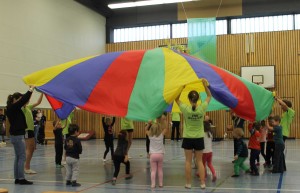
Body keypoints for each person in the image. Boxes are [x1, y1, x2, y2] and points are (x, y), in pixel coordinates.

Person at [175, 78, 211, 189]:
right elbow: (209, 96)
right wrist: (204, 85)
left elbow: (176, 99)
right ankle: (202, 183)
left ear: (189, 99)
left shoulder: (185, 108)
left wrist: (182, 87)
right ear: (198, 98)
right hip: (199, 138)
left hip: (188, 138)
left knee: (188, 161)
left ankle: (188, 183)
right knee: (199, 161)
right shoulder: (202, 108)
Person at [6, 86, 34, 185]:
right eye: (19, 99)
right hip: (17, 136)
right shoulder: (13, 107)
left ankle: (17, 178)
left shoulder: (12, 108)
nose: (20, 101)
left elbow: (24, 101)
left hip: (16, 135)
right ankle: (21, 178)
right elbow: (24, 100)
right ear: (14, 99)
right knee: (21, 156)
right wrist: (31, 89)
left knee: (18, 157)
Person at [145, 114, 168, 189]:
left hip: (153, 156)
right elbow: (166, 128)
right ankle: (161, 184)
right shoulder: (161, 135)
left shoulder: (150, 136)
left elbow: (145, 130)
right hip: (160, 155)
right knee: (160, 169)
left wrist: (148, 124)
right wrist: (164, 120)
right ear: (159, 129)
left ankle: (153, 184)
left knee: (153, 170)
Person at [23, 93, 43, 174]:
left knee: (31, 148)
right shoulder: (22, 108)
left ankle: (27, 166)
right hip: (27, 129)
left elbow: (38, 102)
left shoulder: (28, 107)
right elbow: (25, 99)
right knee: (29, 148)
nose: (28, 100)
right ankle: (26, 167)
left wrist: (42, 93)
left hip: (31, 129)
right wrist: (31, 90)